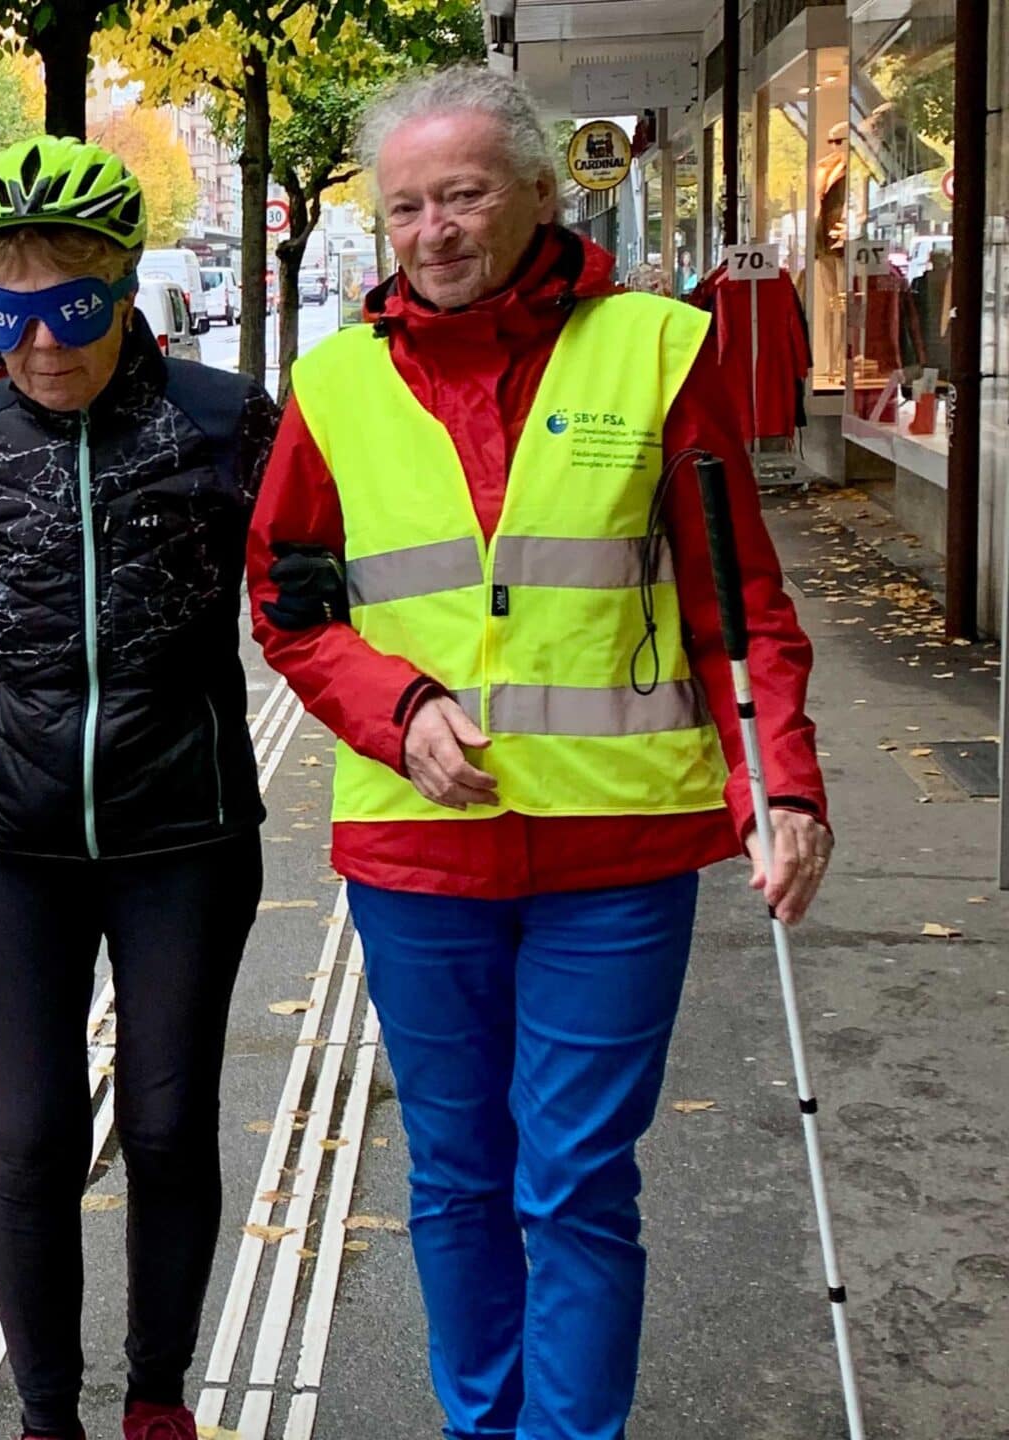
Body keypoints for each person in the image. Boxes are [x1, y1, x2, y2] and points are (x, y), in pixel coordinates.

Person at [247, 67, 830, 1440]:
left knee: (573, 1177)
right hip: (419, 851)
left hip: (618, 853)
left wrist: (782, 783)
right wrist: (395, 710)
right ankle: (481, 1423)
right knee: (453, 1173)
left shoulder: (655, 349)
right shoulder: (333, 383)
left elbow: (739, 604)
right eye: (407, 206)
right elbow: (289, 598)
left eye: (463, 195)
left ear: (536, 195)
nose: (436, 229)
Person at [0, 135, 279, 1440]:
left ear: (123, 288)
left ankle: (158, 1400)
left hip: (185, 829)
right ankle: (49, 1419)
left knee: (164, 1124)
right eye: (11, 311)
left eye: (72, 309)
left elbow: (315, 600)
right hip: (13, 838)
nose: (41, 342)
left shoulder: (221, 423)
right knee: (33, 1138)